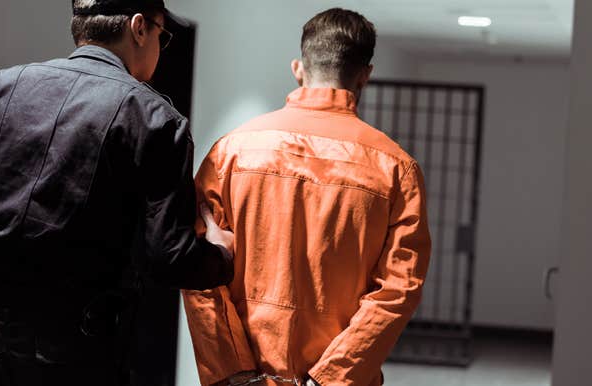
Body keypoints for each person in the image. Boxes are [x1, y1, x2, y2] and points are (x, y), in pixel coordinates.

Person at [0, 0, 234, 385]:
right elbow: (168, 258)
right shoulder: (156, 120)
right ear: (139, 27)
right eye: (162, 34)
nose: (161, 46)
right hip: (73, 353)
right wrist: (221, 256)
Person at [182, 8, 432, 386]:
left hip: (243, 375)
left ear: (298, 68)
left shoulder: (231, 153)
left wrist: (232, 370)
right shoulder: (396, 170)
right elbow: (399, 289)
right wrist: (329, 378)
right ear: (366, 74)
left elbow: (198, 268)